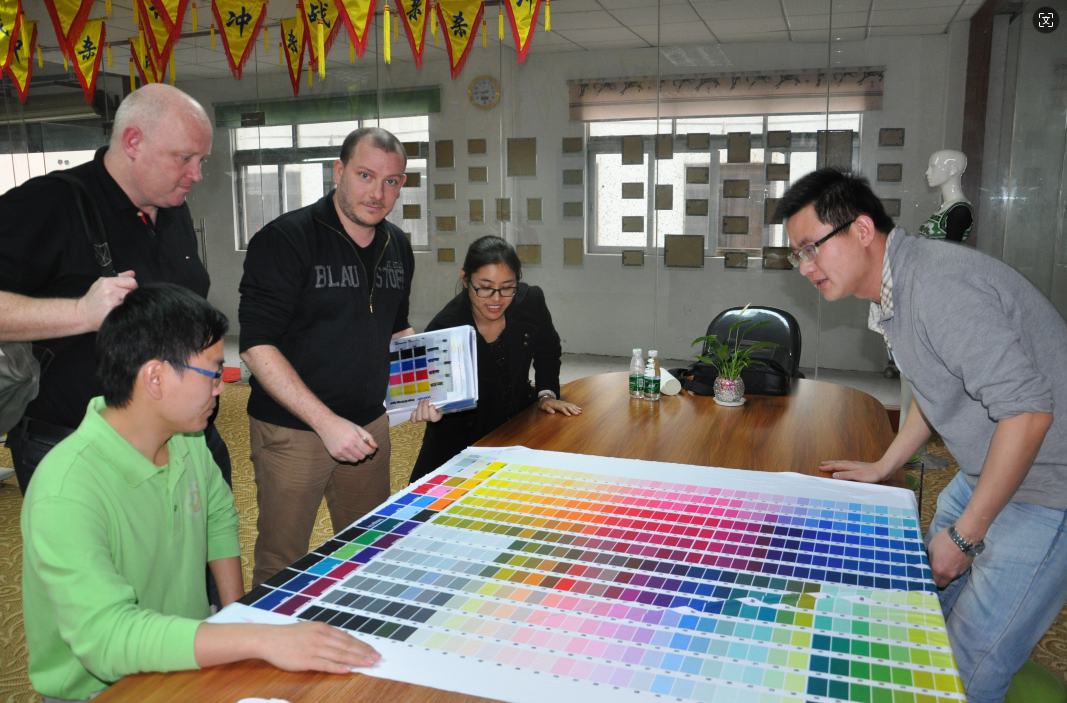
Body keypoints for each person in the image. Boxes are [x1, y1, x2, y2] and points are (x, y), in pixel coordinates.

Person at [776, 168, 1067, 703]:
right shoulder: (895, 289)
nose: (805, 268)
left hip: (1048, 489)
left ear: (861, 230)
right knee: (924, 623)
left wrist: (964, 536)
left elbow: (1027, 413)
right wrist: (885, 465)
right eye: (797, 256)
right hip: (989, 469)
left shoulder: (937, 287)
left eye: (810, 248)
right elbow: (938, 390)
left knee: (967, 670)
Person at [21, 284, 380, 703]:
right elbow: (107, 641)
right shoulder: (66, 489)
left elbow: (217, 517)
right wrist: (257, 640)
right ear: (155, 377)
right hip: (101, 690)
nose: (220, 388)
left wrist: (235, 617)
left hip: (188, 653)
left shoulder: (185, 437)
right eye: (211, 373)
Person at [0, 83, 232, 494]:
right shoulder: (49, 203)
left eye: (201, 160)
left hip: (183, 439)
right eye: (184, 158)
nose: (196, 174)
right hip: (81, 446)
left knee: (198, 555)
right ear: (132, 142)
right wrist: (80, 314)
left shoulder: (172, 206)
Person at [239, 127, 415, 588]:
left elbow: (397, 328)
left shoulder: (398, 244)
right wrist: (326, 422)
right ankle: (270, 652)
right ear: (338, 171)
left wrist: (420, 390)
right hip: (293, 430)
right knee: (283, 557)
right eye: (365, 175)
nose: (378, 193)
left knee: (371, 550)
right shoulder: (286, 239)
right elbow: (257, 345)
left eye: (393, 181)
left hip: (369, 425)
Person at [408, 236, 580, 482]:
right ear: (465, 279)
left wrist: (546, 394)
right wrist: (429, 406)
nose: (497, 299)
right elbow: (434, 399)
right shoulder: (444, 329)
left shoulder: (530, 301)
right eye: (485, 287)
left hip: (519, 425)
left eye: (507, 286)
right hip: (464, 440)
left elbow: (548, 350)